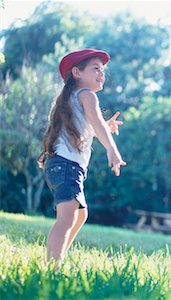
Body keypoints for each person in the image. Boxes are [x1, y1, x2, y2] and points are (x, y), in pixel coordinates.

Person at [38, 48, 126, 266]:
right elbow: (95, 122)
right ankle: (52, 267)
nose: (101, 74)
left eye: (103, 70)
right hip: (66, 166)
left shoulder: (71, 98)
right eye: (96, 68)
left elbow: (91, 125)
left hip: (62, 166)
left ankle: (57, 259)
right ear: (77, 72)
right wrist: (112, 148)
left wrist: (106, 126)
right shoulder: (88, 95)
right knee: (66, 218)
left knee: (80, 215)